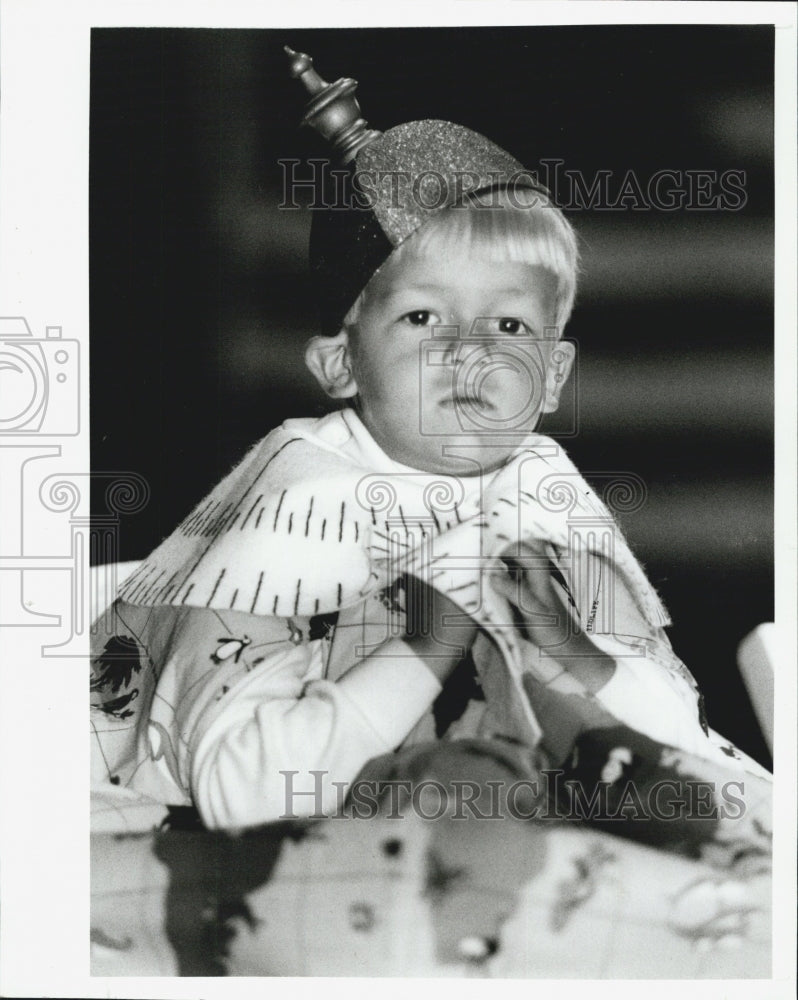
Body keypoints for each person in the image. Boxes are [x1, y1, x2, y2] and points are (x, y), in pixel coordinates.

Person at [90, 53, 759, 831]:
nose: (472, 350)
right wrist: (428, 644)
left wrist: (579, 656)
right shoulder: (291, 512)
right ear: (340, 363)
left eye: (509, 325)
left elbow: (688, 764)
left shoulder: (541, 496)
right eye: (422, 318)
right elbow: (239, 794)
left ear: (552, 375)